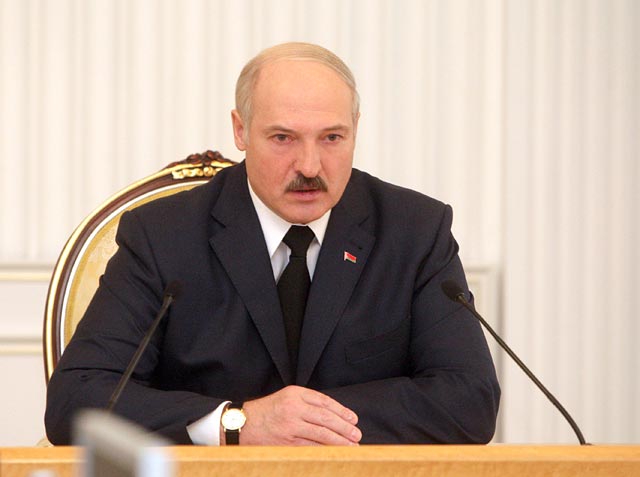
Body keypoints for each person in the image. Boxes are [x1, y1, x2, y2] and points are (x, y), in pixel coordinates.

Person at [45, 42, 500, 446]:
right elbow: (77, 401)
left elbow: (470, 398)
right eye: (283, 138)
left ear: (355, 128)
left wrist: (306, 424)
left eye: (332, 137)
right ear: (241, 130)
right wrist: (235, 423)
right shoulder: (162, 235)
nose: (310, 166)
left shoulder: (415, 231)